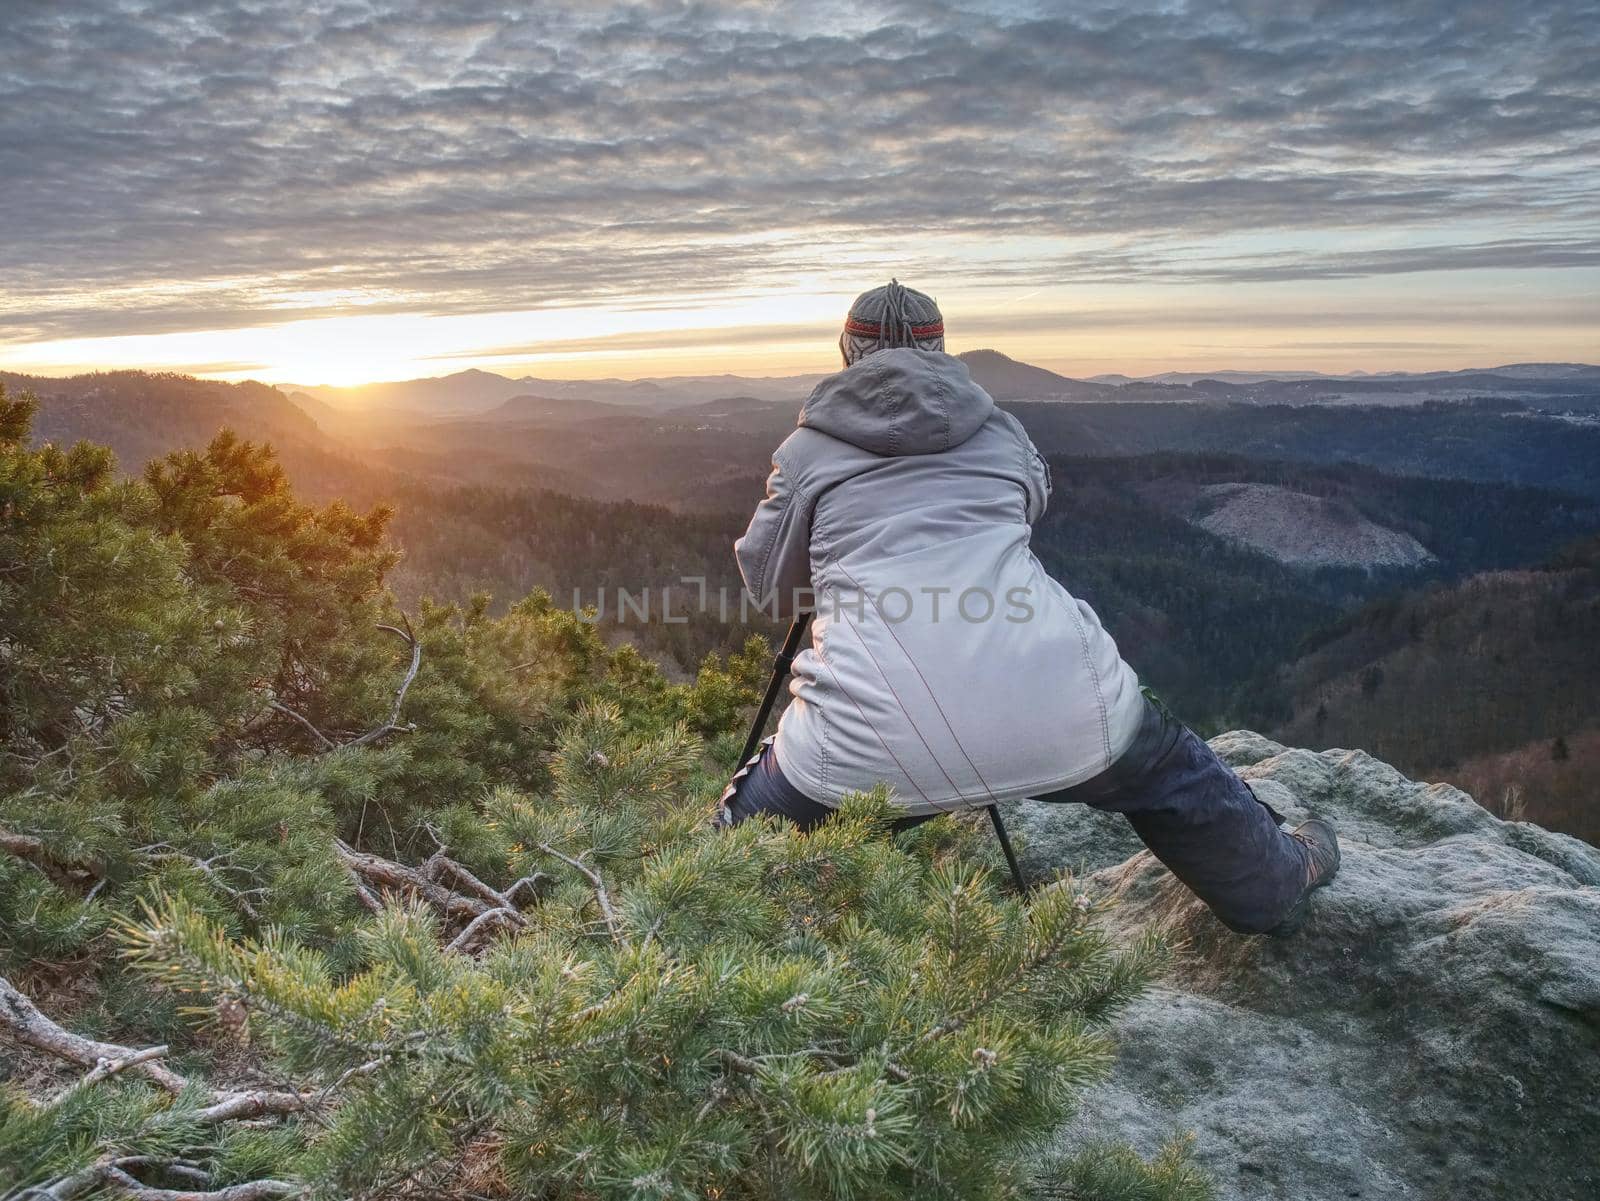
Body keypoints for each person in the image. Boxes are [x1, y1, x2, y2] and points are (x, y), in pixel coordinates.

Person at [716, 281, 1338, 936]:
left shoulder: (804, 456)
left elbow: (774, 592)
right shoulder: (1005, 437)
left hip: (866, 744)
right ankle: (1278, 875)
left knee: (728, 869)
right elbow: (1025, 512)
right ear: (942, 351)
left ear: (847, 351)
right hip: (1059, 700)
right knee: (1166, 765)